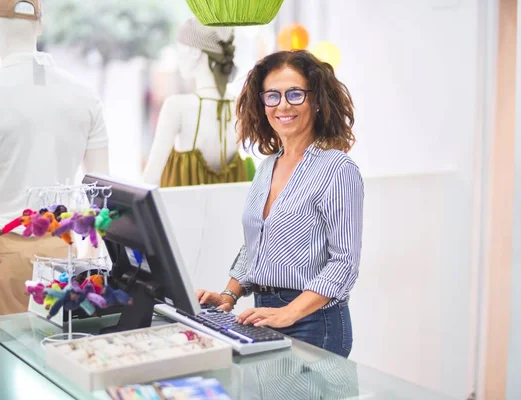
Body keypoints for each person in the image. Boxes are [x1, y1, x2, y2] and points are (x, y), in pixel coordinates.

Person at [0, 0, 109, 379]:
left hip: (0, 253)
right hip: (63, 252)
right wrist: (95, 259)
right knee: (56, 376)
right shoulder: (84, 96)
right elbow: (101, 189)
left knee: (10, 380)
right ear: (40, 25)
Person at [196, 50, 364, 358]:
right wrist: (228, 295)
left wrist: (290, 313)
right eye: (272, 96)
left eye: (295, 94)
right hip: (264, 315)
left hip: (314, 322)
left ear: (316, 101)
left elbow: (344, 264)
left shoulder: (338, 169)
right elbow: (257, 244)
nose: (283, 105)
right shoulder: (267, 166)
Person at [143, 18, 255, 188]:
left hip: (183, 213)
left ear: (195, 52)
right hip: (230, 212)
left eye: (180, 49)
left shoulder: (177, 106)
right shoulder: (240, 106)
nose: (177, 56)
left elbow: (150, 180)